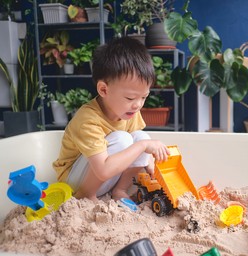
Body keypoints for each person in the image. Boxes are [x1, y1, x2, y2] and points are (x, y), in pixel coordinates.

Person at [52, 37, 170, 202]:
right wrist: (143, 146)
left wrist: (150, 163)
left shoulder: (130, 111)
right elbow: (103, 170)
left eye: (144, 97)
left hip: (107, 178)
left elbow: (139, 145)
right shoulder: (87, 119)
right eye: (130, 98)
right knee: (125, 140)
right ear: (103, 89)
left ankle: (119, 190)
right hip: (75, 183)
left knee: (142, 137)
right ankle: (87, 196)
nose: (138, 105)